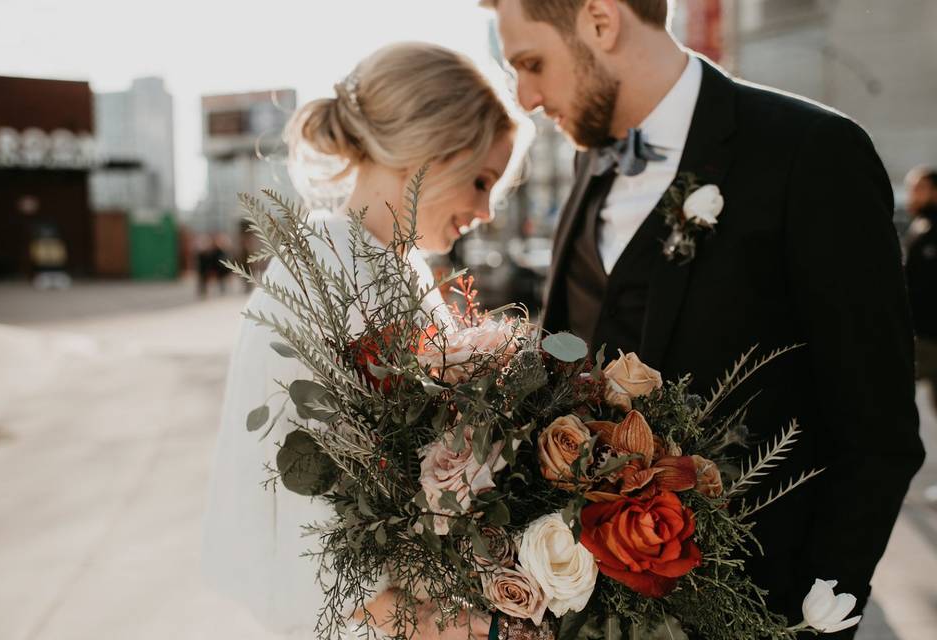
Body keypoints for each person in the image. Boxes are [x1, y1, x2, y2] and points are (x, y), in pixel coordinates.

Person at [484, 0, 924, 637]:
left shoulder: (811, 152)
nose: (523, 96)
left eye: (532, 63)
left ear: (601, 21)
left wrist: (809, 620)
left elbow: (879, 432)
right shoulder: (590, 163)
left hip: (749, 607)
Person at [201, 42, 522, 639]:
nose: (485, 211)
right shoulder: (315, 269)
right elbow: (298, 477)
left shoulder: (405, 270)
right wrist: (408, 619)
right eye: (481, 181)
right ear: (429, 148)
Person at [905, 166, 937, 409]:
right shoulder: (919, 227)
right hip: (920, 332)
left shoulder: (929, 230)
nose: (912, 194)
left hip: (928, 336)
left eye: (919, 189)